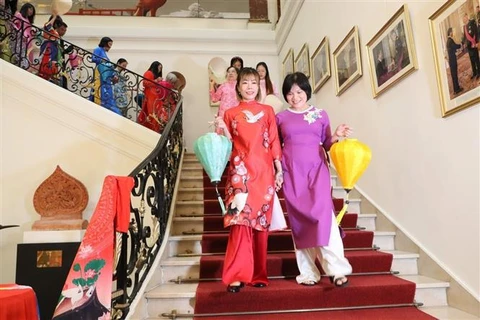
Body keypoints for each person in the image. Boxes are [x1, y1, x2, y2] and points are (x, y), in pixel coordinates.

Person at [276, 72, 353, 287]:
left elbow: (327, 143)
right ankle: (308, 272)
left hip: (317, 170)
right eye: (290, 93)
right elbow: (274, 147)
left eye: (299, 92)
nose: (295, 97)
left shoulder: (321, 114)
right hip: (292, 171)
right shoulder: (280, 118)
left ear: (306, 92)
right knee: (299, 223)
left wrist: (336, 135)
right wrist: (278, 172)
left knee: (323, 216)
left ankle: (337, 270)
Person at [215, 67, 283, 293]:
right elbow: (225, 145)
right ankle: (236, 275)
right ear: (238, 87)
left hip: (264, 173)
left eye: (254, 82)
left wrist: (279, 169)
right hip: (239, 173)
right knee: (240, 222)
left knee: (260, 224)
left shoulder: (267, 111)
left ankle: (257, 274)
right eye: (245, 83)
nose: (250, 87)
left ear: (259, 86)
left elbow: (274, 141)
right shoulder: (230, 114)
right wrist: (222, 130)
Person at [91, 37, 120, 114]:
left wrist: (113, 75)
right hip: (100, 73)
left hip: (105, 75)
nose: (110, 46)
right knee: (101, 90)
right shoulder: (98, 49)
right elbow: (93, 58)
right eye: (110, 44)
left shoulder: (104, 52)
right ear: (105, 43)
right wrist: (101, 60)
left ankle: (107, 104)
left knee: (107, 90)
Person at [138, 61, 163, 132]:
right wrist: (156, 80)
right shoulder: (148, 73)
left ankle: (154, 126)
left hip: (154, 95)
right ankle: (151, 126)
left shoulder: (154, 74)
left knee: (155, 111)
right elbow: (145, 83)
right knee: (151, 111)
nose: (160, 70)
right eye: (159, 68)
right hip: (150, 95)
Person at [12, 2, 35, 69]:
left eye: (32, 10)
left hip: (28, 40)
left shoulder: (28, 19)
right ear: (25, 8)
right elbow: (13, 24)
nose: (31, 11)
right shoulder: (19, 15)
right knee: (20, 55)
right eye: (30, 9)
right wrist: (21, 34)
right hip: (20, 39)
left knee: (27, 56)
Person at [446, 27, 463, 95]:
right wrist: (460, 45)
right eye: (453, 32)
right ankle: (457, 89)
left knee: (454, 75)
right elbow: (455, 46)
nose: (453, 33)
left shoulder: (448, 41)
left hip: (451, 60)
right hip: (452, 60)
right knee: (454, 75)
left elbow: (451, 49)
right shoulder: (450, 40)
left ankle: (456, 88)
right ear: (450, 32)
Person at [462, 13, 480, 80]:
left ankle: (479, 73)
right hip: (469, 46)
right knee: (472, 60)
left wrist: (477, 42)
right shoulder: (464, 27)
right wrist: (463, 43)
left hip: (473, 44)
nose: (463, 19)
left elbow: (476, 32)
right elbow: (464, 37)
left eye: (464, 17)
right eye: (463, 18)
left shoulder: (472, 22)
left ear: (467, 17)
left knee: (476, 59)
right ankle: (474, 72)